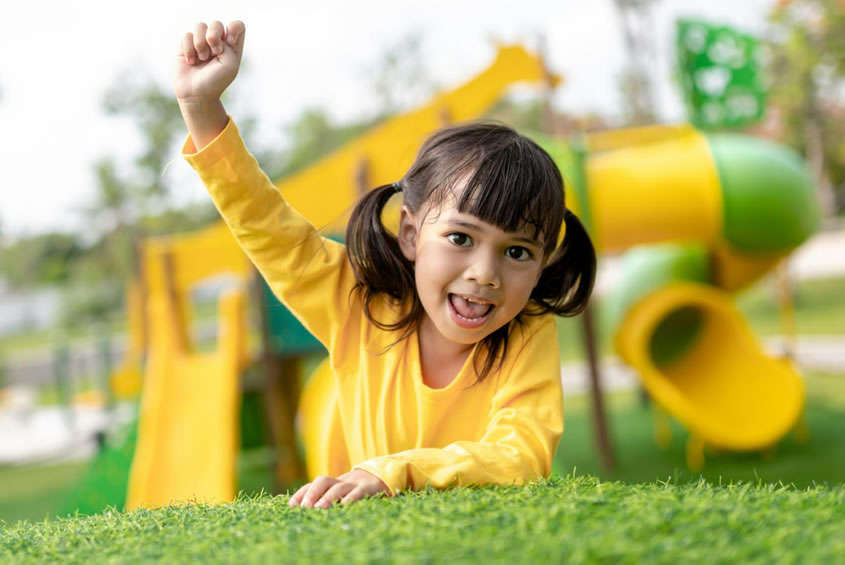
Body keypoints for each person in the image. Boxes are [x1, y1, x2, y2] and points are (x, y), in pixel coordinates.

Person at [175, 20, 596, 509]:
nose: (485, 273)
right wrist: (200, 108)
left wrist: (396, 471)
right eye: (461, 237)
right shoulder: (356, 301)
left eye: (517, 251)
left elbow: (521, 455)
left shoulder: (526, 331)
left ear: (543, 260)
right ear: (413, 234)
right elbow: (270, 231)